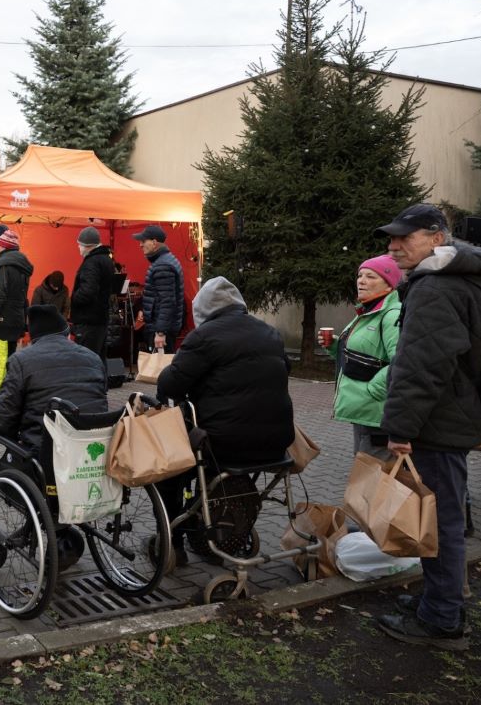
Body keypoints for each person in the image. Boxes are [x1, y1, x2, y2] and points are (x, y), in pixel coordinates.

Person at [372, 203, 481, 651]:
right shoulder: (465, 276)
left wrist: (400, 427)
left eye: (404, 237)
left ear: (437, 238)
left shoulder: (436, 288)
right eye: (391, 238)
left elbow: (422, 366)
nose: (393, 246)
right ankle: (436, 600)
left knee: (442, 520)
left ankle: (442, 618)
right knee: (442, 514)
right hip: (455, 415)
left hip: (438, 422)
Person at [155, 276, 294, 565]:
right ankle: (225, 527)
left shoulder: (204, 337)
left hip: (223, 444)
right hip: (277, 443)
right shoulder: (269, 332)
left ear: (202, 309)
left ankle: (173, 543)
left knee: (169, 473)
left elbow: (169, 386)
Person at [318, 255, 404, 464]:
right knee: (366, 469)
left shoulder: (391, 314)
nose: (361, 281)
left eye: (371, 276)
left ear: (389, 283)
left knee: (374, 476)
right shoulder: (368, 311)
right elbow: (367, 352)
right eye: (360, 275)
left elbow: (402, 361)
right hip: (365, 411)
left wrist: (373, 390)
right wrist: (335, 346)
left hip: (377, 411)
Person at [0, 305, 108, 447]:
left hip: (46, 451)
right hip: (92, 448)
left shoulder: (21, 360)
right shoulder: (94, 358)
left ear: (33, 337)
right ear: (66, 332)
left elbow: (1, 421)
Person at [0, 227, 33, 356]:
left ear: (5, 247)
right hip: (16, 319)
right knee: (9, 357)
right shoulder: (22, 265)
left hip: (2, 321)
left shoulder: (4, 265)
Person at [134, 224, 185, 351]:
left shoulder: (162, 265)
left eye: (143, 241)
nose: (140, 245)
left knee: (161, 369)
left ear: (154, 242)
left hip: (162, 330)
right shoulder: (165, 261)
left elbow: (167, 301)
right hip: (164, 327)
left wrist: (160, 332)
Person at [71, 226, 115, 360]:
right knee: (98, 361)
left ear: (87, 245)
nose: (78, 247)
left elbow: (88, 291)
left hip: (88, 321)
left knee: (86, 362)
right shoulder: (106, 259)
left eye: (79, 245)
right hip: (100, 319)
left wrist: (74, 298)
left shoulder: (91, 262)